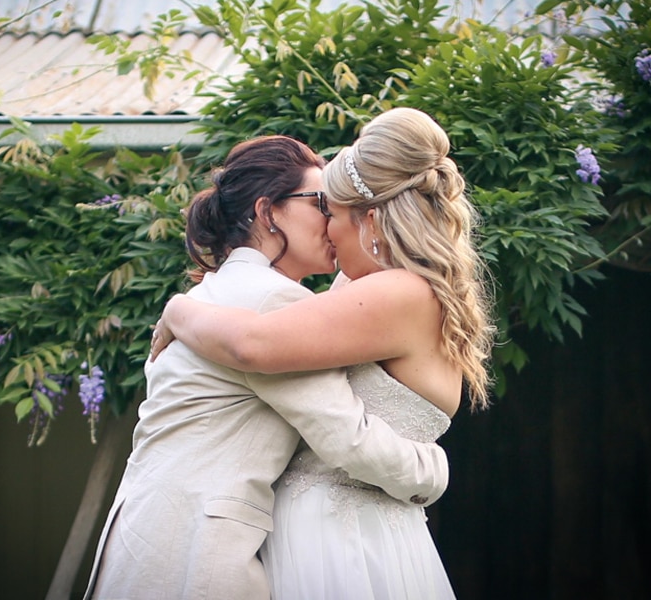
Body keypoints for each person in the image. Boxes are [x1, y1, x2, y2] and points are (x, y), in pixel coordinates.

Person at [83, 134, 451, 600]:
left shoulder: (211, 293)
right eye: (319, 201)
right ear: (268, 211)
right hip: (198, 554)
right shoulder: (272, 301)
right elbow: (346, 436)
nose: (332, 215)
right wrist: (434, 469)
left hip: (144, 536)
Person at [151, 107, 495, 599]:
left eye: (330, 213)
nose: (327, 232)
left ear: (370, 220)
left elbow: (253, 344)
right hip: (381, 534)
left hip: (334, 539)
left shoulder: (395, 293)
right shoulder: (416, 292)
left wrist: (179, 310)